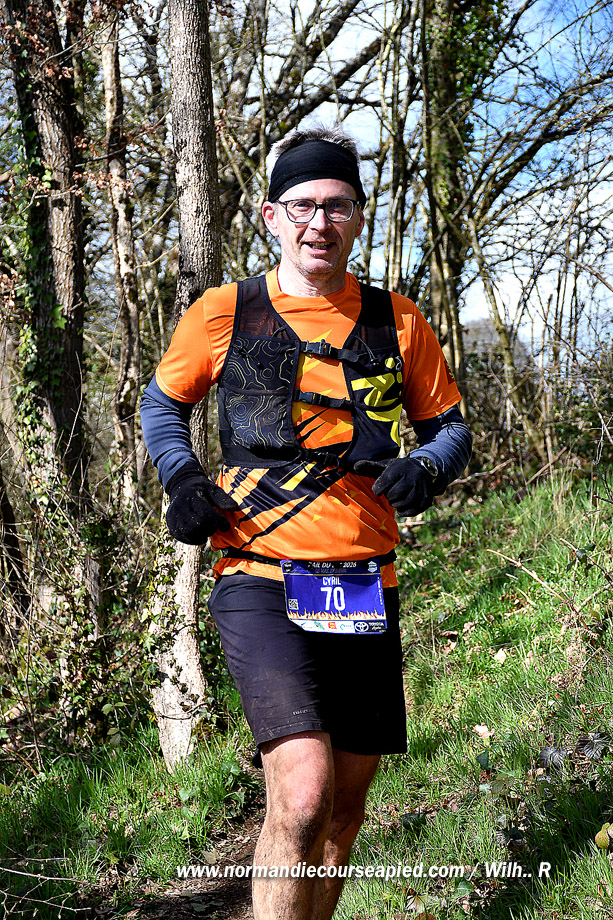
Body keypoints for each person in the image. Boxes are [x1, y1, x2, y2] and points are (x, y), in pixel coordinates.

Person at [140, 124, 472, 920]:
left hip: (362, 586)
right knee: (302, 793)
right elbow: (162, 404)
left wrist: (426, 467)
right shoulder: (225, 312)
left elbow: (449, 428)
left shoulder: (397, 321)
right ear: (271, 216)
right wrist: (182, 479)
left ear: (357, 217)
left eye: (337, 206)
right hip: (258, 574)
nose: (319, 222)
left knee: (342, 812)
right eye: (302, 206)